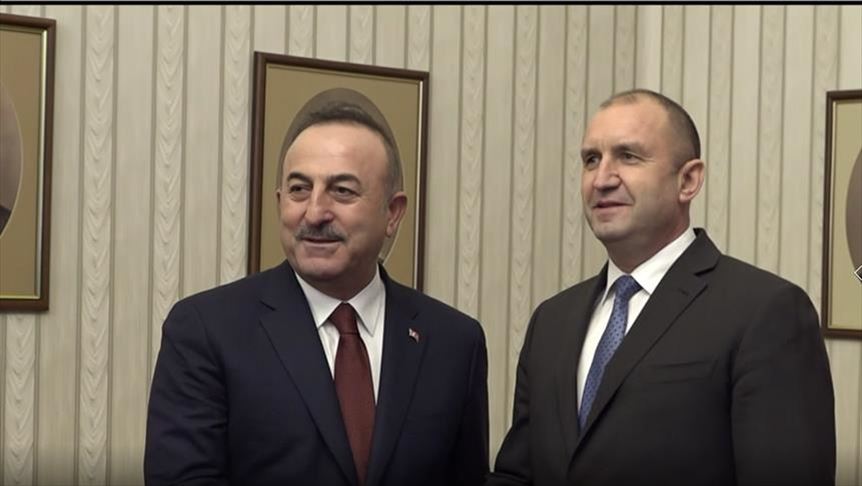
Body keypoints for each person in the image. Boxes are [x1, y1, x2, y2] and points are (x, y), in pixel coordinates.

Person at [487, 89, 835, 486]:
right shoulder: (552, 321)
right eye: (591, 159)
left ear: (688, 180)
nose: (602, 179)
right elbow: (518, 473)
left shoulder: (765, 311)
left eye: (628, 156)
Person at [145, 88, 489, 486]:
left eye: (342, 190)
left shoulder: (454, 342)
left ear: (392, 213)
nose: (314, 212)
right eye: (299, 189)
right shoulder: (207, 330)